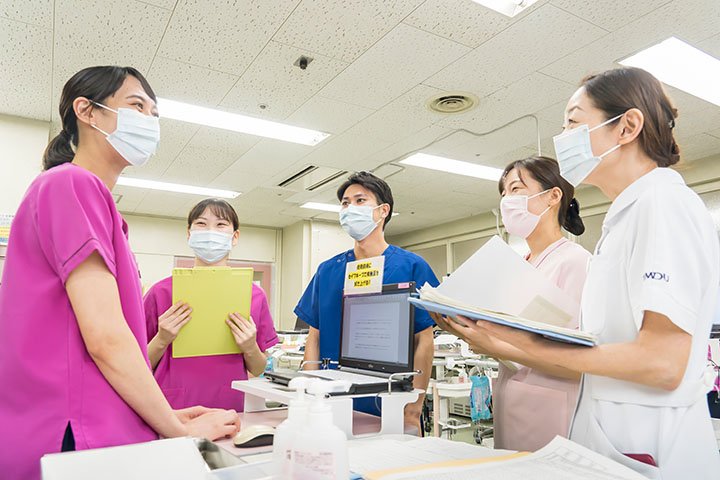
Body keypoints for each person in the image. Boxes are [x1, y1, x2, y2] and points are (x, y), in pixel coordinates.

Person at [453, 67, 720, 478]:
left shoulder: (664, 206)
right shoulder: (626, 218)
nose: (564, 138)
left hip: (649, 444)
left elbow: (664, 362)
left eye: (573, 122)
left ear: (627, 126)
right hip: (612, 433)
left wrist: (523, 349)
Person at [0, 66, 240, 480]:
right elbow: (107, 339)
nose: (149, 120)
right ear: (87, 112)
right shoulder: (72, 184)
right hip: (72, 432)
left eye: (154, 112)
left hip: (87, 422)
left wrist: (161, 415)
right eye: (137, 106)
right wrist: (177, 429)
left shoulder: (96, 205)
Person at [436, 155, 591, 451]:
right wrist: (464, 329)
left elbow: (577, 362)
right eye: (504, 193)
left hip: (551, 405)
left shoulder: (574, 261)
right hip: (513, 397)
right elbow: (514, 343)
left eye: (516, 189)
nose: (507, 200)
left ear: (553, 196)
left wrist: (493, 344)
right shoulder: (522, 265)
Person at [295, 171, 439, 429]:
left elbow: (424, 340)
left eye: (360, 201)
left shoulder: (411, 266)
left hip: (391, 399)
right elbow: (313, 337)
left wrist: (414, 406)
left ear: (383, 211)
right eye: (345, 203)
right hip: (330, 398)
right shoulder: (328, 271)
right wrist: (310, 391)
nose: (350, 208)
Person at [144, 198, 279, 411]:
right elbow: (137, 365)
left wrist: (250, 346)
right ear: (189, 234)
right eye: (201, 223)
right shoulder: (161, 292)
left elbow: (259, 367)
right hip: (173, 408)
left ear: (235, 237)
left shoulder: (253, 295)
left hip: (230, 405)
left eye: (221, 224)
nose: (210, 231)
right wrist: (162, 339)